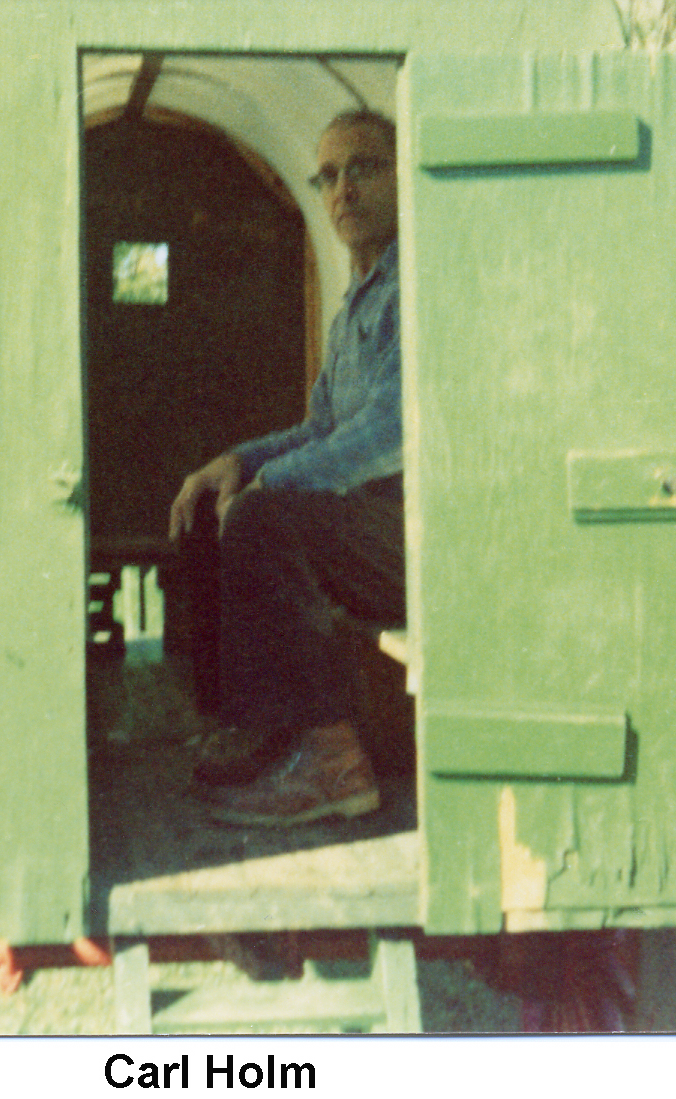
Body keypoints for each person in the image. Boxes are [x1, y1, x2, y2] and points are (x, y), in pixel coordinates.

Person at [167, 108, 405, 828]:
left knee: (265, 516)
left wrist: (275, 484)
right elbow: (323, 428)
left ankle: (332, 761)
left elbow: (395, 429)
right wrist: (235, 462)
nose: (342, 191)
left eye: (363, 167)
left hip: (418, 534)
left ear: (405, 172)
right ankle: (266, 729)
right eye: (327, 176)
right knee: (215, 508)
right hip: (368, 528)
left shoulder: (419, 283)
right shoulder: (355, 303)